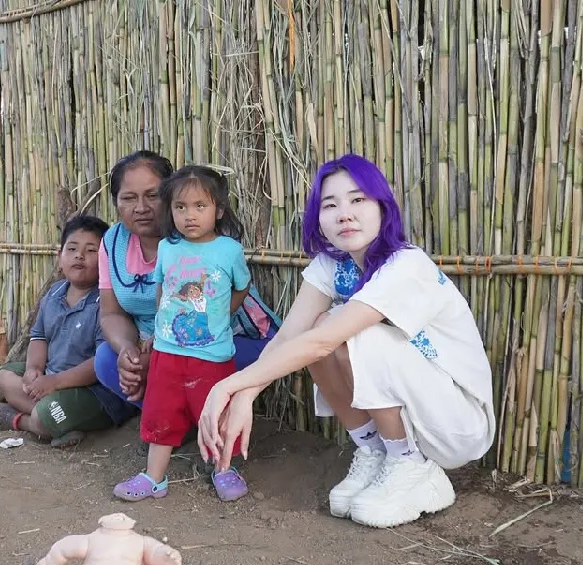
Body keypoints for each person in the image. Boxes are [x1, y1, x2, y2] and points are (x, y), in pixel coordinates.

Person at [196, 154, 496, 529]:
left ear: (382, 207)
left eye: (358, 200)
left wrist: (225, 386)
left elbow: (323, 342)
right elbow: (290, 335)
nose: (344, 214)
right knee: (320, 326)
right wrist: (245, 394)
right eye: (330, 204)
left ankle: (411, 467)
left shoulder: (406, 266)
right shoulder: (332, 264)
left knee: (347, 330)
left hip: (454, 423)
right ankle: (375, 452)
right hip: (415, 414)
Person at [93, 150, 281, 415]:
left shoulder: (200, 239)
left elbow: (213, 311)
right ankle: (175, 422)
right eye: (129, 198)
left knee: (191, 368)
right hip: (159, 343)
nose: (141, 208)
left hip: (224, 338)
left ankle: (200, 419)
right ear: (116, 202)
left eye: (153, 195)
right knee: (106, 360)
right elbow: (111, 313)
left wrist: (158, 358)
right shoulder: (113, 242)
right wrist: (129, 353)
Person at [112, 166, 252, 504]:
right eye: (180, 207)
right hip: (167, 353)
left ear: (219, 210)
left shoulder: (229, 250)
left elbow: (242, 287)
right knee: (161, 412)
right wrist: (158, 329)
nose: (190, 215)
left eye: (200, 206)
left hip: (212, 355)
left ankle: (223, 469)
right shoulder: (168, 248)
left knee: (217, 414)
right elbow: (162, 289)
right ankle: (154, 477)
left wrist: (222, 315)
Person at [0, 215, 138, 447]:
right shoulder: (54, 293)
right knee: (5, 376)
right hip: (51, 378)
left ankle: (22, 420)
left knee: (46, 415)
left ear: (105, 260)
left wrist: (55, 382)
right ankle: (57, 421)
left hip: (93, 392)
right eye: (72, 249)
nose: (79, 255)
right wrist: (34, 369)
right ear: (59, 257)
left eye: (91, 250)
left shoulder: (107, 304)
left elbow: (100, 363)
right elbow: (39, 337)